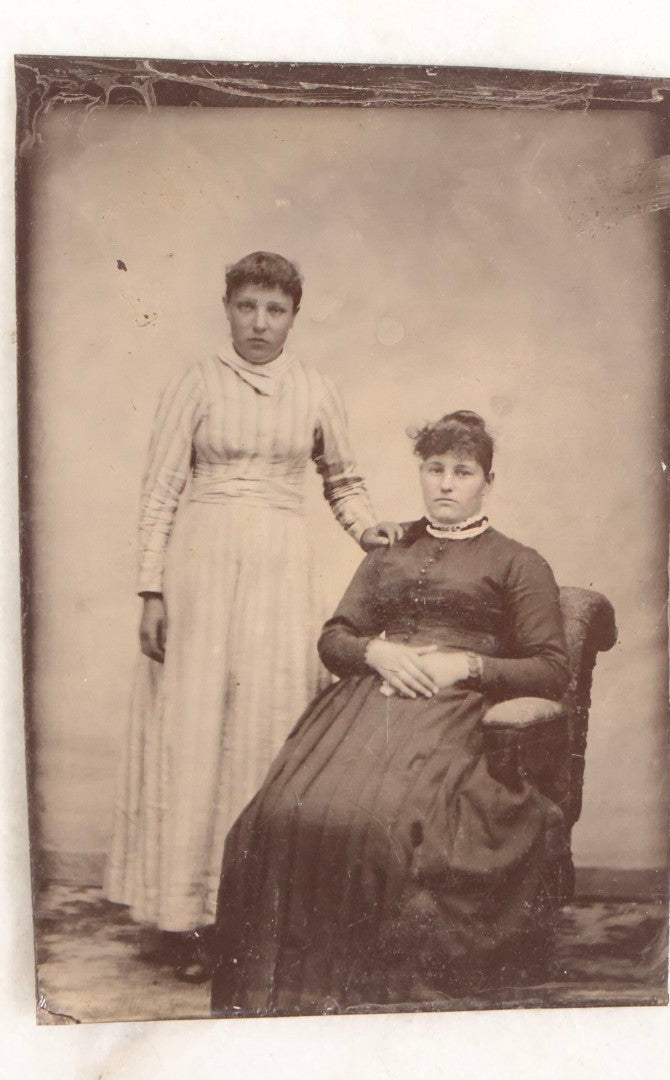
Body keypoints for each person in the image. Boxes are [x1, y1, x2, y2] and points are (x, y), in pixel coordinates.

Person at [210, 410, 571, 1014]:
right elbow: (335, 638)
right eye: (435, 469)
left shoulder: (518, 562)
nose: (447, 484)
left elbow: (552, 668)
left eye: (463, 471)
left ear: (488, 481)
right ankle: (280, 998)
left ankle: (363, 1004)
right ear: (421, 473)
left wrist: (469, 668)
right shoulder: (388, 547)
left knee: (379, 830)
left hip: (454, 713)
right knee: (270, 820)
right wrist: (374, 650)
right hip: (361, 705)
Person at [105, 252, 400, 981]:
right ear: (227, 308)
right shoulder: (196, 382)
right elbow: (159, 490)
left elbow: (344, 481)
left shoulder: (314, 389)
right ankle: (186, 916)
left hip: (278, 572)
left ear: (294, 315)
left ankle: (252, 910)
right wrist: (151, 591)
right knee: (197, 725)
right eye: (247, 306)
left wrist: (368, 531)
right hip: (200, 567)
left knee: (268, 726)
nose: (260, 322)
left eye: (275, 309)